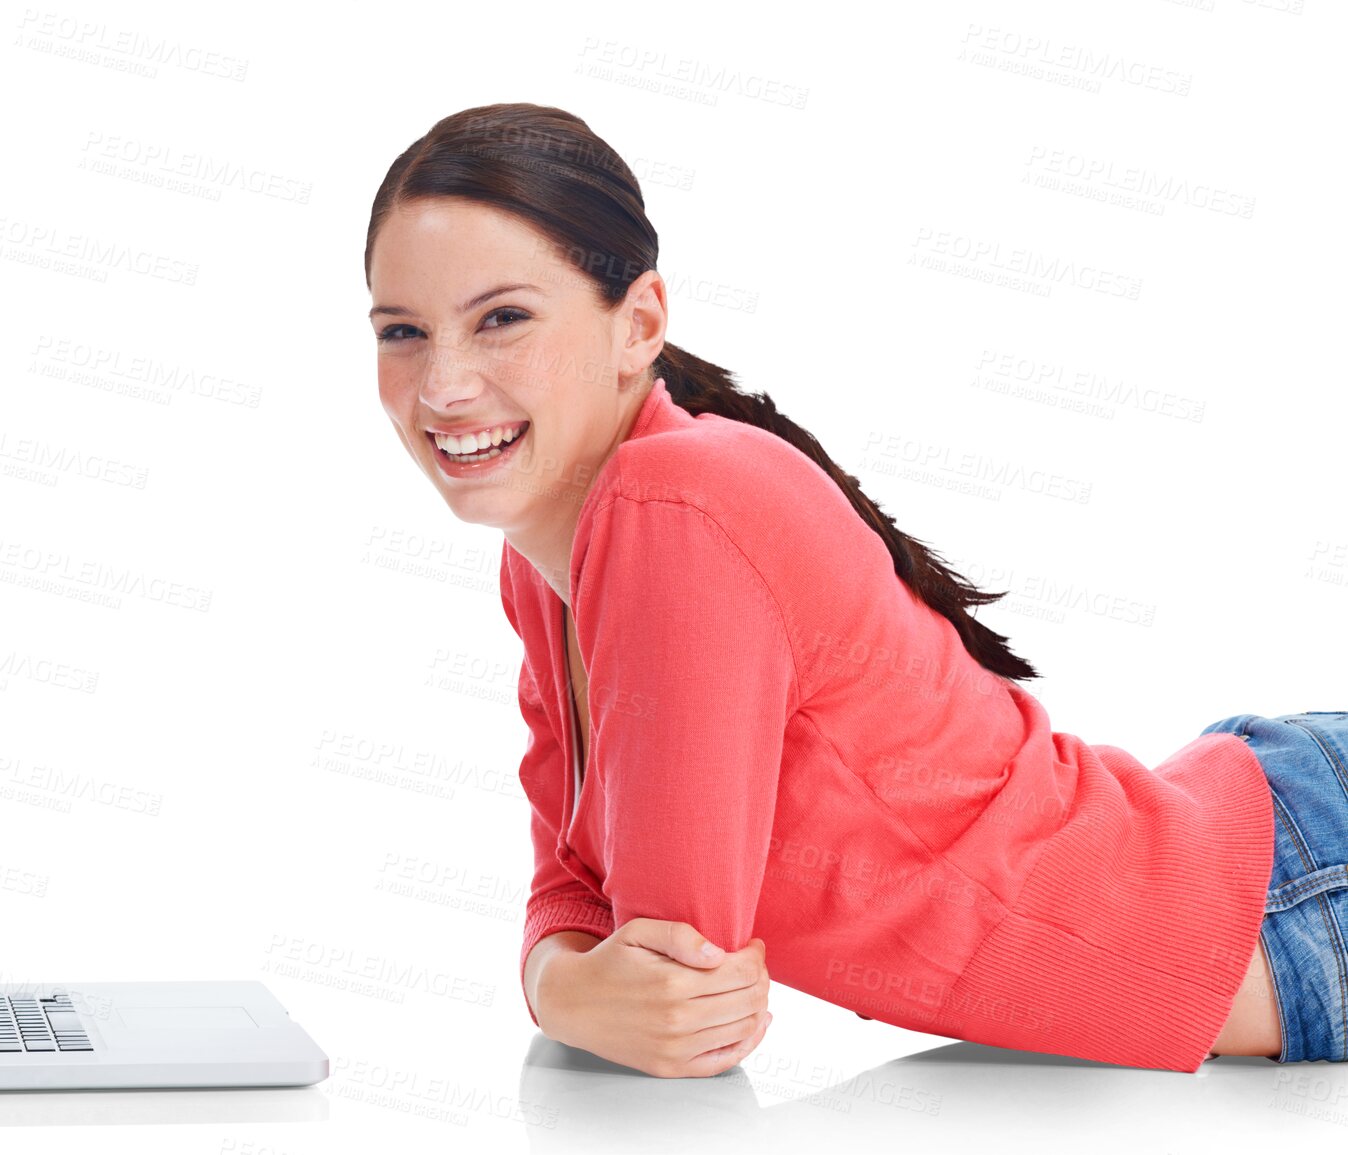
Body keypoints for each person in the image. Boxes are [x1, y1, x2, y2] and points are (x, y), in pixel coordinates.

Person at [364, 102, 1342, 1077]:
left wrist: (570, 982)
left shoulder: (673, 506)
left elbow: (678, 974)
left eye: (502, 319)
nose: (442, 385)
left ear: (640, 324)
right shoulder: (547, 566)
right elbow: (580, 908)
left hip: (1297, 893)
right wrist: (561, 985)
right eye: (402, 331)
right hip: (1267, 855)